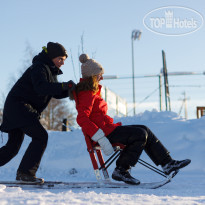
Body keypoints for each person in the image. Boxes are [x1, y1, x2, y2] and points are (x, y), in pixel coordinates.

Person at [70, 53, 191, 185]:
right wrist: (100, 138)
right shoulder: (87, 94)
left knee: (144, 129)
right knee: (140, 134)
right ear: (93, 76)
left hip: (108, 130)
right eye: (99, 74)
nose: (102, 77)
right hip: (103, 134)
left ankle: (168, 163)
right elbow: (82, 119)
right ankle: (121, 170)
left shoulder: (91, 92)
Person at [0, 42, 76, 184]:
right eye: (60, 59)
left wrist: (70, 90)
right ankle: (25, 173)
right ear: (52, 56)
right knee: (41, 137)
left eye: (64, 60)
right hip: (19, 107)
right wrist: (63, 86)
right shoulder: (39, 67)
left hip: (17, 108)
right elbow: (41, 87)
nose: (62, 63)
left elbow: (54, 92)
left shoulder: (49, 69)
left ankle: (24, 173)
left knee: (12, 148)